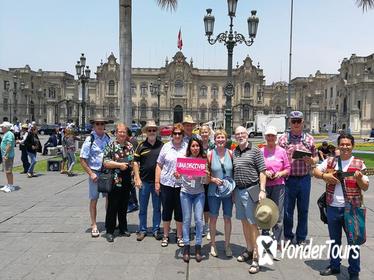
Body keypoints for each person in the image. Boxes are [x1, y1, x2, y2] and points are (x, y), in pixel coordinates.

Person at [313, 133, 369, 280]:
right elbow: (315, 171)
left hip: (352, 208)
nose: (345, 147)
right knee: (334, 240)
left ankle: (354, 272)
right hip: (333, 206)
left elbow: (365, 186)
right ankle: (335, 265)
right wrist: (325, 176)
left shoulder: (359, 164)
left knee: (353, 242)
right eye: (342, 144)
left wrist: (359, 178)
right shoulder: (331, 161)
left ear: (352, 146)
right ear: (338, 145)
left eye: (348, 144)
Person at [278, 111, 318, 246]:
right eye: (293, 121)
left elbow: (316, 157)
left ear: (302, 122)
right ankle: (288, 236)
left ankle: (301, 237)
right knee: (288, 210)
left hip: (304, 178)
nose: (296, 124)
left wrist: (311, 160)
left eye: (298, 121)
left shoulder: (309, 139)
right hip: (289, 179)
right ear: (290, 122)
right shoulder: (283, 139)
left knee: (303, 209)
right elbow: (279, 158)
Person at [232, 126, 267, 274]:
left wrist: (262, 190)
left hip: (251, 189)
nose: (240, 136)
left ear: (247, 135)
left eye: (242, 133)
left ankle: (256, 258)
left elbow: (262, 171)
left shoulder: (255, 151)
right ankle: (249, 248)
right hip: (239, 190)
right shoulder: (235, 152)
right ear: (235, 137)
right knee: (244, 222)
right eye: (237, 134)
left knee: (253, 224)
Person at [155, 123, 187, 248]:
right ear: (172, 135)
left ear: (183, 135)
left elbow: (190, 166)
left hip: (181, 185)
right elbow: (159, 164)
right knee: (167, 210)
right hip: (166, 183)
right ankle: (166, 235)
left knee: (180, 211)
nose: (177, 135)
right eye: (175, 133)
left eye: (179, 133)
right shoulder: (166, 147)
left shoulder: (187, 147)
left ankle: (179, 236)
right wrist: (157, 182)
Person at [80, 116, 111, 238]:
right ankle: (94, 224)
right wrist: (90, 173)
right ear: (94, 125)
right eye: (97, 123)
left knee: (109, 198)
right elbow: (82, 159)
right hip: (95, 173)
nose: (100, 126)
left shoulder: (108, 138)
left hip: (106, 172)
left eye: (102, 124)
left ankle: (109, 222)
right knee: (94, 199)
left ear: (104, 126)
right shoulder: (90, 139)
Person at [176, 137, 206, 263]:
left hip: (199, 193)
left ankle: (198, 246)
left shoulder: (203, 160)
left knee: (199, 220)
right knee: (187, 220)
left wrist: (206, 174)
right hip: (186, 193)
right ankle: (187, 247)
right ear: (190, 148)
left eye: (197, 146)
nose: (195, 148)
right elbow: (178, 179)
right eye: (193, 146)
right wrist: (176, 175)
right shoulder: (184, 160)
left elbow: (205, 181)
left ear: (200, 147)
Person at [102, 123, 134, 242]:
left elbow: (132, 160)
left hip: (126, 180)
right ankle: (110, 231)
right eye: (119, 132)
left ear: (126, 134)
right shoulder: (111, 145)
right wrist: (119, 165)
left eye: (124, 132)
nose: (121, 134)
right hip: (114, 179)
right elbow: (105, 162)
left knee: (124, 205)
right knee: (112, 206)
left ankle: (123, 228)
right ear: (116, 133)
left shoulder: (130, 146)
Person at [260, 126, 290, 246]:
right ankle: (265, 239)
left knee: (278, 214)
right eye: (268, 136)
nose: (270, 138)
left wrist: (280, 173)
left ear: (276, 137)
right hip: (265, 185)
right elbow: (258, 167)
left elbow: (288, 168)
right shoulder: (261, 151)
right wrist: (265, 171)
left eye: (272, 136)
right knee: (265, 213)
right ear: (266, 137)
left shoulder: (282, 151)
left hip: (278, 185)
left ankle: (277, 242)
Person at [133, 120, 163, 241]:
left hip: (157, 182)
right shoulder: (141, 146)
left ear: (156, 132)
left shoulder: (162, 146)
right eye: (149, 130)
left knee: (157, 207)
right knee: (143, 207)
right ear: (146, 132)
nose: (151, 132)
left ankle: (156, 229)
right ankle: (143, 229)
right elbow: (135, 162)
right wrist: (137, 178)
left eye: (153, 130)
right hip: (144, 181)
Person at [207, 129, 234, 258]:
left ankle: (227, 245)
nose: (220, 140)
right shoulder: (210, 154)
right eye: (218, 137)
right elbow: (205, 174)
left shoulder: (231, 153)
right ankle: (213, 244)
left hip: (228, 193)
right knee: (213, 218)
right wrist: (212, 179)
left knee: (228, 218)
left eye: (222, 137)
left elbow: (234, 173)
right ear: (215, 139)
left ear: (226, 139)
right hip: (213, 192)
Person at [199, 124, 215, 240]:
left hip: (210, 178)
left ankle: (207, 227)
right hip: (198, 178)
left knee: (208, 204)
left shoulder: (213, 146)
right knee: (199, 202)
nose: (204, 134)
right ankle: (200, 226)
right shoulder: (197, 145)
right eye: (202, 132)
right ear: (200, 134)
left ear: (209, 133)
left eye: (206, 132)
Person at [0, 122, 16, 193]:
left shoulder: (9, 134)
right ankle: (8, 184)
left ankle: (11, 186)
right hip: (6, 155)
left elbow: (9, 145)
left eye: (2, 127)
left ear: (5, 127)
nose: (1, 128)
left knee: (9, 171)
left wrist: (6, 154)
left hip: (8, 156)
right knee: (7, 171)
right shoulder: (6, 134)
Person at [126, 127, 139, 213]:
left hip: (132, 166)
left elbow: (132, 155)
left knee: (131, 186)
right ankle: (133, 203)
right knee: (131, 186)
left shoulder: (132, 141)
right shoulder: (131, 141)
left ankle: (133, 204)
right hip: (130, 166)